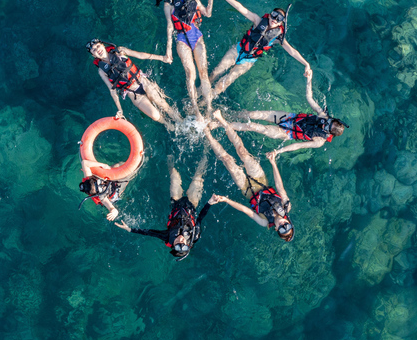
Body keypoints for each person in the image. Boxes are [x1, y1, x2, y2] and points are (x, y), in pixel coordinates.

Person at [203, 110, 294, 242]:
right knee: (242, 152)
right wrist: (273, 163)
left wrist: (226, 200)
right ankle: (222, 121)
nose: (283, 225)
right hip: (261, 180)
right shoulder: (286, 205)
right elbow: (280, 186)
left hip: (247, 190)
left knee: (227, 160)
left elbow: (246, 210)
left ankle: (207, 133)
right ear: (289, 222)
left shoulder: (264, 222)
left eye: (282, 229)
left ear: (276, 229)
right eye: (287, 226)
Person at [208, 0, 312, 97]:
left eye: (279, 18)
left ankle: (204, 102)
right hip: (237, 50)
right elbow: (241, 8)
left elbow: (292, 52)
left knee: (223, 84)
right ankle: (200, 91)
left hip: (248, 61)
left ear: (281, 23)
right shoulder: (258, 20)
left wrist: (306, 64)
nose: (275, 19)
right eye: (274, 15)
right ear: (270, 15)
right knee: (215, 73)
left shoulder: (278, 38)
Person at [115, 154, 215, 260]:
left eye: (177, 243)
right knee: (198, 178)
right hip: (192, 204)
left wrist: (130, 229)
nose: (181, 240)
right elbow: (200, 218)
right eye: (183, 243)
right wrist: (209, 203)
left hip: (176, 203)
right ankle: (206, 153)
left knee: (174, 177)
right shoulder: (194, 235)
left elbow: (150, 232)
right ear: (187, 245)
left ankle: (169, 159)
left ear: (172, 245)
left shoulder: (167, 236)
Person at [225, 73, 348, 156]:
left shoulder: (319, 142)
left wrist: (278, 151)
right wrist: (309, 79)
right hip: (289, 117)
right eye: (329, 122)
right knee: (252, 114)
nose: (325, 124)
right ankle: (230, 114)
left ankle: (222, 124)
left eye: (327, 127)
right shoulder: (323, 116)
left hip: (286, 133)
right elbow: (309, 97)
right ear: (332, 120)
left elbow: (297, 146)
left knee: (252, 126)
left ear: (329, 133)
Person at [155, 0, 215, 117]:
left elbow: (207, 13)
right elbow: (170, 26)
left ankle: (208, 107)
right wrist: (168, 50)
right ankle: (196, 110)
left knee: (203, 73)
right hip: (181, 39)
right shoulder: (168, 4)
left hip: (196, 36)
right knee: (190, 74)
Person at [87, 39, 182, 130]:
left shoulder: (120, 51)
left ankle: (181, 121)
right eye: (94, 50)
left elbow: (140, 55)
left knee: (163, 105)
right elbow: (112, 90)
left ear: (103, 45)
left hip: (143, 82)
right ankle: (166, 123)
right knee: (155, 115)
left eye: (98, 46)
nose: (97, 49)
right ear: (93, 55)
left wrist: (162, 58)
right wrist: (120, 109)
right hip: (134, 94)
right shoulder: (101, 71)